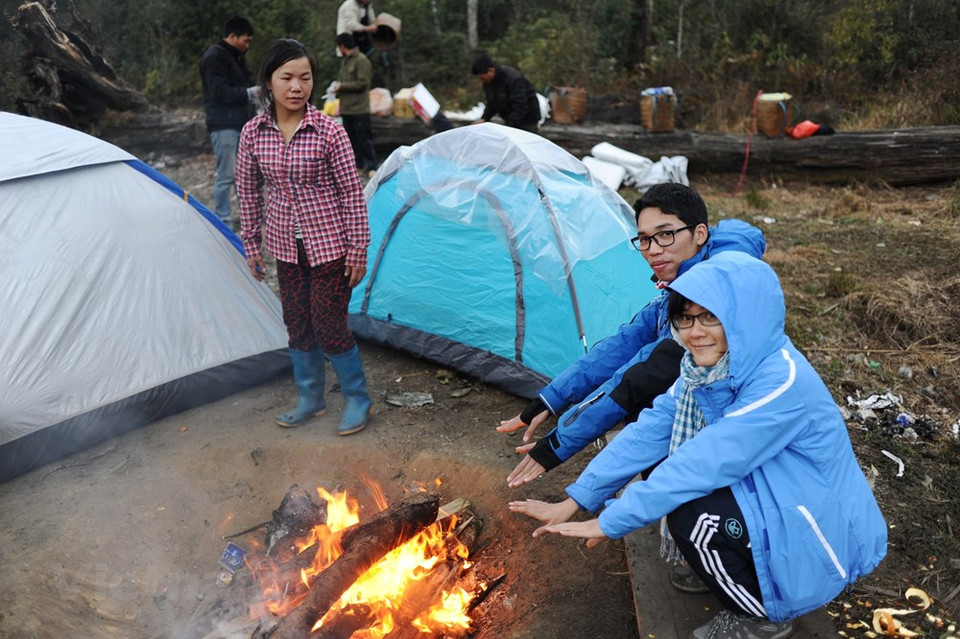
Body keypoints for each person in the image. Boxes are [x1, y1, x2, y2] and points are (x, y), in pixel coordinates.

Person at [510, 252, 888, 639]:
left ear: (746, 318)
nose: (695, 332)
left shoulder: (781, 381)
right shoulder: (705, 369)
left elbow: (705, 462)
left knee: (693, 514)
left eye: (710, 317)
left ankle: (762, 617)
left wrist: (610, 520)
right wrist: (576, 500)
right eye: (686, 318)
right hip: (777, 493)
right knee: (669, 483)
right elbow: (652, 427)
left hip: (822, 534)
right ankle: (734, 571)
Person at [499, 184, 765, 490]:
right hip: (701, 413)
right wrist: (552, 397)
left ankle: (676, 502)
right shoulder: (684, 282)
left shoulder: (706, 303)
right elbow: (623, 344)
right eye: (645, 239)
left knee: (639, 404)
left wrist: (559, 442)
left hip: (734, 437)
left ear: (700, 234)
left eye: (666, 234)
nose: (653, 250)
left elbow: (638, 378)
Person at [236, 39, 373, 436]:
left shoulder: (329, 130)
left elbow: (352, 193)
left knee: (329, 323)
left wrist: (358, 249)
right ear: (269, 82)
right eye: (287, 78)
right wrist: (251, 244)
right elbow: (248, 191)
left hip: (330, 244)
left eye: (305, 78)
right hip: (285, 246)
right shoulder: (253, 132)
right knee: (296, 322)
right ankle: (311, 397)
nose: (297, 87)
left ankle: (358, 399)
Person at [200, 16, 258, 227]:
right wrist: (249, 93)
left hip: (240, 123)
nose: (247, 45)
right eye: (246, 40)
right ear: (233, 36)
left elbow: (245, 83)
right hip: (223, 124)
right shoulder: (215, 57)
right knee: (227, 174)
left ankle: (248, 217)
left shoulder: (237, 56)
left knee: (244, 174)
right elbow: (219, 92)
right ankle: (222, 219)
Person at [333, 33, 377, 177]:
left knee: (364, 139)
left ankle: (372, 166)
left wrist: (342, 86)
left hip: (359, 108)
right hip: (347, 108)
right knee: (351, 140)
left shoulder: (361, 60)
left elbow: (363, 83)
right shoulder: (345, 61)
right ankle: (358, 165)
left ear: (342, 46)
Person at [470, 55, 540, 132]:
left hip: (527, 119)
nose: (482, 81)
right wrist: (484, 118)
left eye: (482, 78)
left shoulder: (513, 79)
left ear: (490, 70)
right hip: (510, 118)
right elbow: (492, 103)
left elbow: (521, 106)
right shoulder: (489, 83)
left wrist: (508, 126)